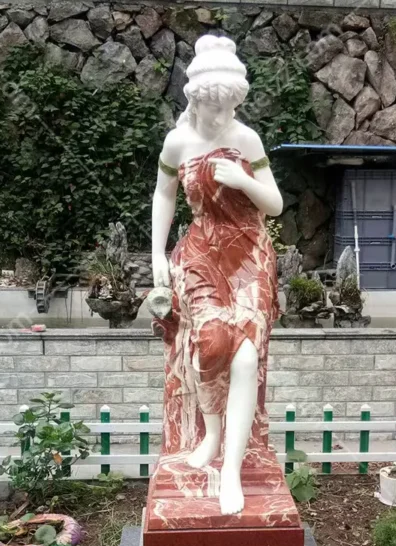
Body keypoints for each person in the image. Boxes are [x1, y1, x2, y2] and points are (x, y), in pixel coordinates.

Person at [151, 34, 283, 515]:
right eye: (217, 110)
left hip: (249, 254)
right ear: (198, 102)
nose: (225, 118)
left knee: (246, 359)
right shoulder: (179, 140)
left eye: (232, 107)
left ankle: (230, 469)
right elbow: (165, 195)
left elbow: (275, 204)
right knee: (209, 343)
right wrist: (156, 255)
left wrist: (244, 180)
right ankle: (209, 433)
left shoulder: (246, 139)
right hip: (200, 253)